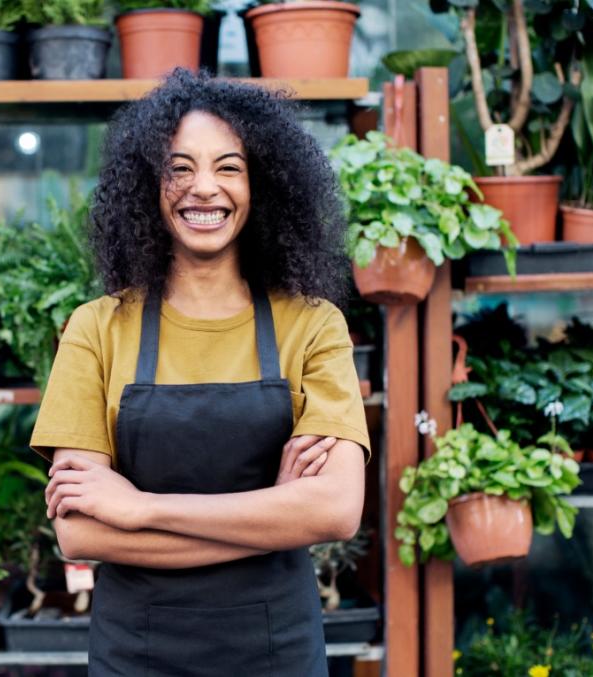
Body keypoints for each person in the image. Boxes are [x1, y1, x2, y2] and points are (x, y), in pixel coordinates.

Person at [30, 69, 369, 676]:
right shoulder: (96, 328)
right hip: (137, 653)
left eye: (229, 167)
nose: (203, 188)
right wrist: (277, 515)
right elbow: (81, 534)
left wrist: (141, 509)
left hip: (276, 653)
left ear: (263, 184)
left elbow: (336, 511)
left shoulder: (313, 326)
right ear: (146, 186)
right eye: (179, 168)